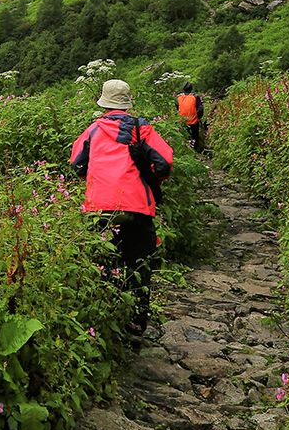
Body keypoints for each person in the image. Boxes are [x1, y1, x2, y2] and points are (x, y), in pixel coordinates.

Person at [70, 79, 173, 342]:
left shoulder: (93, 130)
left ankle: (105, 319)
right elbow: (164, 164)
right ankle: (136, 323)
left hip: (100, 207)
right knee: (138, 263)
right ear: (128, 102)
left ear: (104, 103)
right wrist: (149, 179)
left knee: (103, 262)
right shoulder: (143, 129)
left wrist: (98, 180)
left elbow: (77, 164)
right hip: (138, 206)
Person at [176, 81, 204, 152]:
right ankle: (195, 150)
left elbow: (176, 108)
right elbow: (200, 108)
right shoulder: (195, 97)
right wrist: (198, 117)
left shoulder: (178, 97)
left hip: (182, 121)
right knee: (195, 136)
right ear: (191, 88)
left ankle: (185, 150)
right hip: (193, 121)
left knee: (184, 136)